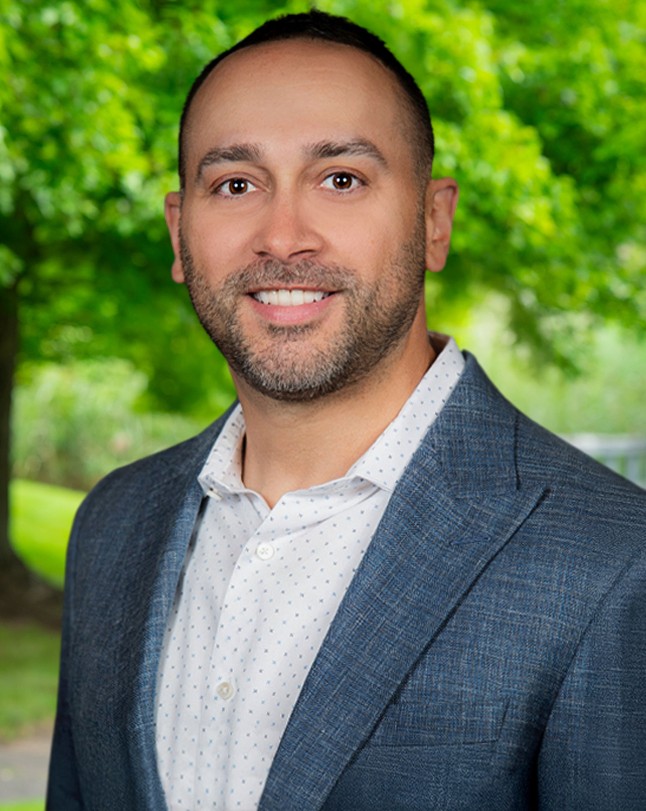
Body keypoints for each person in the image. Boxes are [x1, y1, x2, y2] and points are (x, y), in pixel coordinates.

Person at [47, 10, 646, 811]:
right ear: (180, 231)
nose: (283, 237)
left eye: (340, 179)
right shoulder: (111, 524)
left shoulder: (614, 559)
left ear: (434, 221)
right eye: (235, 184)